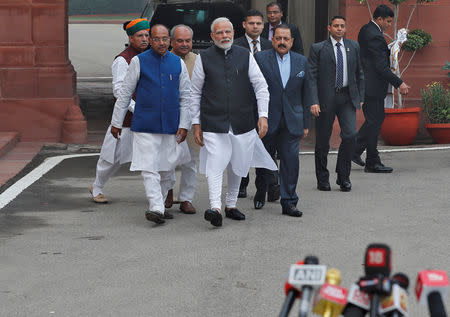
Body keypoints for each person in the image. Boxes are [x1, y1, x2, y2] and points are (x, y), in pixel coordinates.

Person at [190, 17, 277, 227]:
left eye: (228, 31)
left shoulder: (245, 55)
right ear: (212, 36)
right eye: (219, 33)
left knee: (239, 163)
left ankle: (231, 205)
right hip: (213, 121)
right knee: (215, 162)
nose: (224, 36)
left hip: (243, 121)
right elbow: (194, 92)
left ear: (233, 33)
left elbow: (260, 86)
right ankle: (215, 208)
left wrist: (263, 115)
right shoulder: (205, 58)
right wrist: (196, 123)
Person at [110, 24, 191, 224]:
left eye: (165, 39)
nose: (161, 42)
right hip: (145, 124)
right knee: (148, 167)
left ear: (170, 41)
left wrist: (184, 124)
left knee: (168, 170)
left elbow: (186, 97)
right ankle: (155, 206)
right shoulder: (138, 61)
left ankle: (161, 205)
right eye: (156, 39)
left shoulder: (178, 63)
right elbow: (124, 94)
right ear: (150, 40)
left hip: (171, 125)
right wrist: (116, 122)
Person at [253, 24, 311, 216]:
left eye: (286, 39)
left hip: (292, 120)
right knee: (264, 159)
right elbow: (252, 89)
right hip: (267, 119)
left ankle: (289, 201)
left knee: (290, 161)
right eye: (278, 38)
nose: (282, 42)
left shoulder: (302, 61)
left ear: (292, 41)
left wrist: (306, 124)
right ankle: (261, 192)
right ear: (273, 40)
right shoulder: (260, 58)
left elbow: (307, 93)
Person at [90, 18, 149, 203]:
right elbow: (119, 91)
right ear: (131, 38)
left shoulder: (152, 57)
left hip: (149, 119)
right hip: (126, 120)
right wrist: (136, 110)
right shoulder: (123, 60)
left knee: (154, 158)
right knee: (111, 158)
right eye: (140, 36)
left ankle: (159, 197)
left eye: (147, 35)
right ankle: (97, 187)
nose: (145, 39)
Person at [307, 16, 365, 192]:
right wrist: (314, 101)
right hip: (326, 99)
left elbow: (360, 72)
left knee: (350, 135)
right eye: (336, 26)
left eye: (342, 26)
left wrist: (360, 95)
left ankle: (343, 176)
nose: (339, 29)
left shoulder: (353, 46)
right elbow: (311, 77)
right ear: (329, 28)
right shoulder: (318, 48)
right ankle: (322, 179)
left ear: (345, 29)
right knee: (323, 141)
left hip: (347, 97)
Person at [353, 4, 410, 173]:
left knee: (374, 120)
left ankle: (355, 150)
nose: (389, 25)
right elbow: (380, 65)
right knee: (374, 122)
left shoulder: (366, 29)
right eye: (388, 21)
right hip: (373, 85)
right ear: (379, 19)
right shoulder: (374, 35)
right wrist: (399, 83)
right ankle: (372, 161)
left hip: (370, 84)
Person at [233, 9, 274, 199]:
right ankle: (241, 184)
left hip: (264, 103)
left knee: (264, 145)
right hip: (242, 103)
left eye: (258, 23)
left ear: (263, 26)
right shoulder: (235, 46)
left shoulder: (269, 45)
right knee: (242, 145)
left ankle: (263, 186)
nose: (255, 26)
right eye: (251, 23)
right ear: (244, 25)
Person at [163, 24, 198, 215]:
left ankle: (186, 199)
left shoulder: (198, 61)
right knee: (167, 160)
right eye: (180, 40)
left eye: (188, 40)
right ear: (171, 41)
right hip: (168, 118)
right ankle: (167, 194)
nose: (184, 44)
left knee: (190, 162)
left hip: (191, 120)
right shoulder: (164, 59)